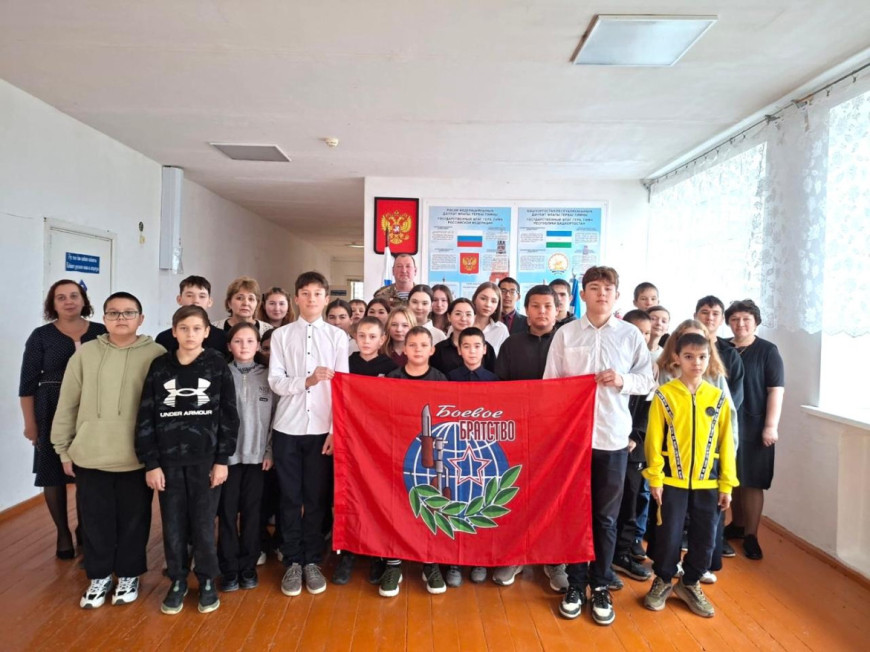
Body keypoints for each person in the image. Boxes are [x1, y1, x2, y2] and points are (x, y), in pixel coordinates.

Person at [544, 266, 654, 625]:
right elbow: (550, 384)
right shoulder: (565, 334)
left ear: (616, 295)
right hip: (574, 440)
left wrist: (622, 380)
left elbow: (647, 382)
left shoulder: (630, 335)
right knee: (576, 514)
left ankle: (601, 583)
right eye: (594, 288)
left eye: (608, 289)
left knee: (606, 517)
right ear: (583, 294)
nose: (601, 294)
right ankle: (576, 584)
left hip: (611, 438)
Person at [52, 292, 164, 609]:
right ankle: (99, 576)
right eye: (113, 313)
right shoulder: (86, 354)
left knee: (134, 521)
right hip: (91, 454)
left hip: (136, 457)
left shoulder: (157, 355)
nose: (121, 318)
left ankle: (129, 575)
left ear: (141, 319)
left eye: (128, 313)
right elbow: (67, 403)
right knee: (95, 521)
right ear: (104, 319)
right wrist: (63, 449)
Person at [136, 305, 239, 615]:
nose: (190, 334)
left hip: (206, 461)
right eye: (184, 328)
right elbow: (146, 415)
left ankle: (206, 579)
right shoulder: (160, 366)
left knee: (204, 523)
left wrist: (222, 459)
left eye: (196, 328)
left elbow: (228, 416)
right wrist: (151, 463)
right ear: (174, 331)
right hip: (168, 462)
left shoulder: (217, 365)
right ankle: (178, 579)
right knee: (173, 524)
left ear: (207, 332)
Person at [642, 333, 737, 618]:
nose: (696, 363)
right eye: (689, 357)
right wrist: (656, 478)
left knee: (705, 537)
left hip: (709, 482)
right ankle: (662, 579)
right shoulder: (664, 395)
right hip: (672, 481)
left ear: (710, 359)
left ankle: (690, 582)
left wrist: (727, 484)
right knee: (668, 535)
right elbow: (653, 440)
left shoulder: (718, 398)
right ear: (677, 359)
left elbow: (727, 443)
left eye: (702, 357)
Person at [269, 271, 349, 597]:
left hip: (321, 430)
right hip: (287, 427)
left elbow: (343, 388)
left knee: (316, 498)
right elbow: (275, 381)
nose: (311, 299)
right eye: (305, 293)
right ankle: (292, 560)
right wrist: (307, 381)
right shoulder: (281, 335)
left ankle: (312, 559)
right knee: (289, 497)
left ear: (326, 298)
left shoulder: (338, 337)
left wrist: (334, 431)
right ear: (296, 298)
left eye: (317, 293)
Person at [19, 279, 106, 560]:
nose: (69, 301)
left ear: (83, 300)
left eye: (74, 295)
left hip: (92, 409)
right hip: (51, 408)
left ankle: (85, 528)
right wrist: (30, 424)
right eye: (61, 297)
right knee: (52, 472)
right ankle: (63, 532)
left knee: (87, 473)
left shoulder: (101, 332)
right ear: (52, 304)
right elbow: (27, 385)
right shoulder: (41, 336)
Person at [491, 285, 568, 592]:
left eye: (548, 306)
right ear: (526, 310)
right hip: (520, 432)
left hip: (560, 433)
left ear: (558, 309)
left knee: (556, 497)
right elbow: (500, 388)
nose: (542, 312)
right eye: (535, 306)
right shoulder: (512, 344)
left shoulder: (568, 341)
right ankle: (516, 554)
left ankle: (555, 559)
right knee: (518, 494)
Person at [381, 326, 448, 597]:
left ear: (432, 350)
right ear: (404, 349)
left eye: (423, 345)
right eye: (412, 345)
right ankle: (393, 563)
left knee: (431, 504)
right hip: (396, 452)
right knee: (395, 504)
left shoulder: (441, 379)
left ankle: (430, 562)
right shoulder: (392, 378)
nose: (418, 349)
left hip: (428, 456)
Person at [332, 316, 398, 586]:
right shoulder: (345, 364)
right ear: (354, 337)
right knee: (350, 494)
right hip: (350, 439)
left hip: (380, 442)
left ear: (382, 339)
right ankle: (347, 552)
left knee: (378, 496)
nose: (367, 341)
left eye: (373, 337)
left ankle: (377, 555)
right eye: (362, 336)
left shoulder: (390, 367)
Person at [725, 299, 784, 561]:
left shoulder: (768, 351)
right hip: (725, 424)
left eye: (746, 319)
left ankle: (751, 535)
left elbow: (776, 390)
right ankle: (736, 525)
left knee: (752, 481)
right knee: (732, 476)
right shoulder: (721, 347)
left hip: (755, 425)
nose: (740, 324)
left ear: (756, 322)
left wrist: (771, 426)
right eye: (735, 319)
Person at [218, 322, 273, 593]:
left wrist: (269, 451)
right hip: (227, 460)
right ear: (229, 345)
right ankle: (229, 569)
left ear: (258, 345)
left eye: (250, 341)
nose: (244, 346)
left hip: (257, 458)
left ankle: (248, 566)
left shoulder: (269, 376)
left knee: (253, 515)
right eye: (238, 341)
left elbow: (276, 418)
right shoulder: (220, 374)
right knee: (227, 514)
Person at [441, 326, 496, 587]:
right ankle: (454, 560)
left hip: (484, 452)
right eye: (466, 346)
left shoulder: (495, 381)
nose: (472, 351)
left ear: (484, 350)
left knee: (481, 501)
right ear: (459, 350)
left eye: (477, 346)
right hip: (455, 450)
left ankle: (479, 559)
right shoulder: (448, 379)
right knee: (456, 500)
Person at [611, 310, 655, 585]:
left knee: (631, 502)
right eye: (636, 331)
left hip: (633, 447)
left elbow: (649, 410)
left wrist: (635, 436)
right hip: (606, 443)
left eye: (646, 333)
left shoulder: (651, 367)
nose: (641, 337)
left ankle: (622, 554)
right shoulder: (611, 359)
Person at [156, 275, 228, 353]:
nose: (196, 301)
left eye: (202, 296)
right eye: (189, 295)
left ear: (210, 301)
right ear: (179, 299)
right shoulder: (163, 338)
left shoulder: (222, 338)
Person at [431, 298, 496, 375]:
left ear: (474, 317)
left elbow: (493, 377)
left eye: (468, 314)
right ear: (449, 317)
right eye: (458, 314)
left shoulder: (486, 348)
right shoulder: (439, 349)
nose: (463, 319)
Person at [471, 282, 510, 355]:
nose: (488, 304)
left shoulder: (501, 329)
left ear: (498, 305)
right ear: (474, 299)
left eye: (493, 301)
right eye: (483, 299)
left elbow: (506, 358)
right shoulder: (462, 323)